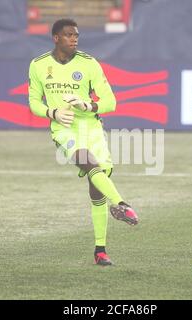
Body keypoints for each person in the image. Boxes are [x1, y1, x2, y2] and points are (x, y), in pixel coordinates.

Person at [28, 19, 139, 266]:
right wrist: (53, 113)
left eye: (76, 35)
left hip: (92, 127)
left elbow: (111, 102)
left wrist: (87, 104)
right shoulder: (38, 66)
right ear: (56, 38)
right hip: (63, 129)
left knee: (97, 186)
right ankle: (122, 204)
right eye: (68, 35)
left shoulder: (89, 64)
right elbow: (34, 103)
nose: (74, 39)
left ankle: (100, 251)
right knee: (88, 163)